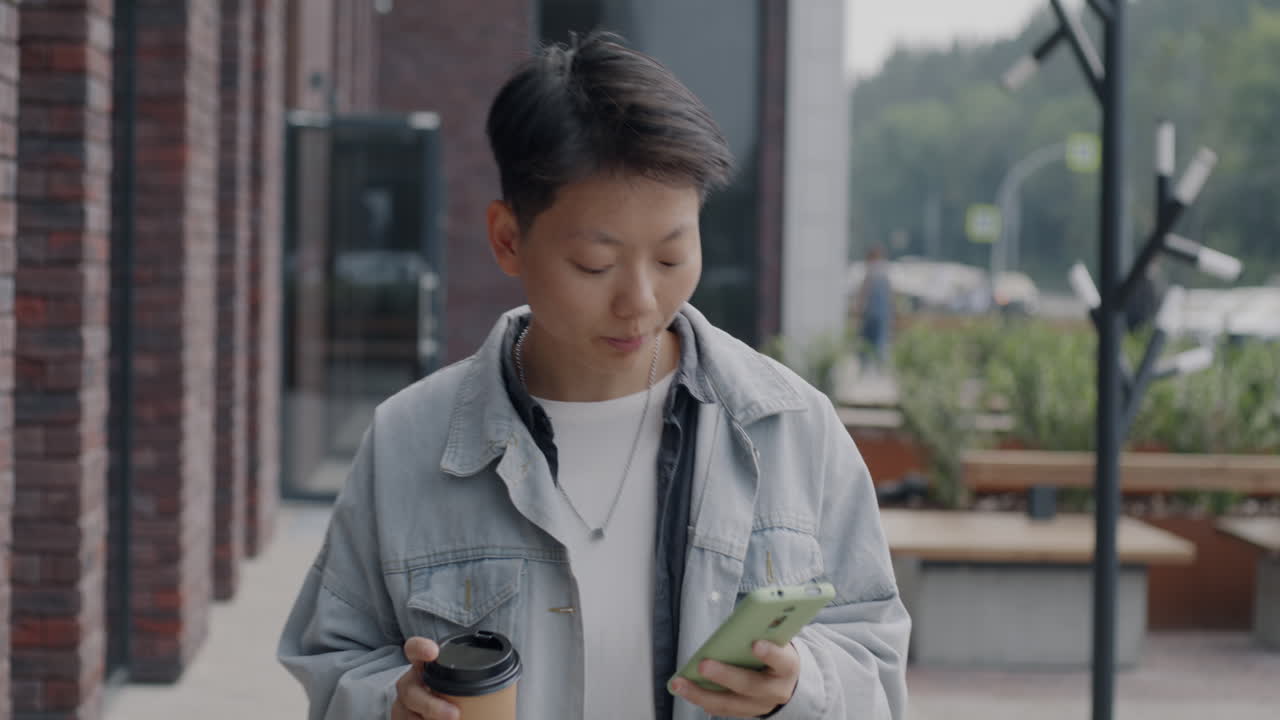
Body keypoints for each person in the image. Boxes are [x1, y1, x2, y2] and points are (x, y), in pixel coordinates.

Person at [278, 32, 909, 720]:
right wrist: (390, 706)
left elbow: (875, 663)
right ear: (507, 239)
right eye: (594, 265)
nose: (639, 300)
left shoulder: (791, 427)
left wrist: (798, 687)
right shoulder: (410, 440)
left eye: (672, 257)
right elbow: (333, 661)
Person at [856, 246, 894, 375]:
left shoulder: (870, 271)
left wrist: (860, 309)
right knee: (880, 341)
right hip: (882, 314)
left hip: (870, 313)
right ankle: (881, 369)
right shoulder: (885, 271)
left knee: (866, 341)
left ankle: (864, 368)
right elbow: (890, 294)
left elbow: (865, 291)